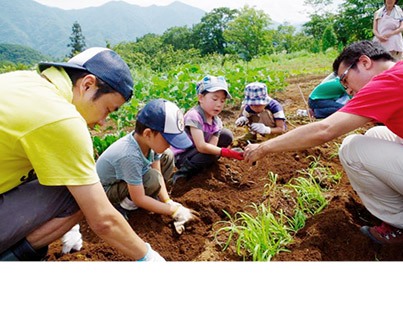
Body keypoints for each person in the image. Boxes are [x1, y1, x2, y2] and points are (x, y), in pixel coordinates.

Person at [0, 47, 164, 261]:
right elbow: (103, 219)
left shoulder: (23, 80)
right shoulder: (62, 119)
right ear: (87, 85)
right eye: (108, 109)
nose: (103, 122)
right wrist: (148, 258)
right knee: (78, 196)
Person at [244, 41, 403, 245]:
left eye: (346, 81)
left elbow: (324, 130)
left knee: (351, 148)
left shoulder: (387, 82)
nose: (349, 92)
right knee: (375, 134)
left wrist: (264, 147)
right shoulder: (402, 70)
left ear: (364, 62)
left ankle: (401, 224)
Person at [96, 99, 195, 233]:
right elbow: (139, 198)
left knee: (167, 156)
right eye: (167, 139)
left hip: (126, 181)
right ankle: (122, 207)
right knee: (151, 179)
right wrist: (174, 211)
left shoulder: (147, 143)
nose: (170, 144)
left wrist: (167, 202)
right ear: (148, 133)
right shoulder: (129, 155)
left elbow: (158, 172)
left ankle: (152, 200)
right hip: (104, 192)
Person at [172, 75, 243, 182]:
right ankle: (183, 172)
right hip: (184, 155)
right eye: (214, 99)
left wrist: (218, 152)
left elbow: (212, 146)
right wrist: (229, 153)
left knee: (226, 135)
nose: (219, 104)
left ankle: (204, 163)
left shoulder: (216, 121)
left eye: (222, 101)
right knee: (210, 155)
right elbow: (201, 146)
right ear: (201, 98)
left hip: (199, 151)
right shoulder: (194, 116)